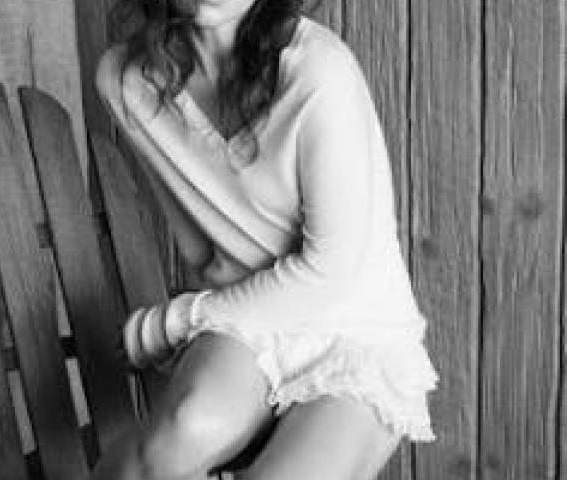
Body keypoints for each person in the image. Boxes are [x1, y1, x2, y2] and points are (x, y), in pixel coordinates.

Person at [92, 1, 440, 479]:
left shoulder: (318, 69)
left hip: (357, 332)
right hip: (251, 321)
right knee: (168, 446)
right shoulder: (126, 80)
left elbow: (329, 272)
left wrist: (171, 323)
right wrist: (206, 331)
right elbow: (203, 248)